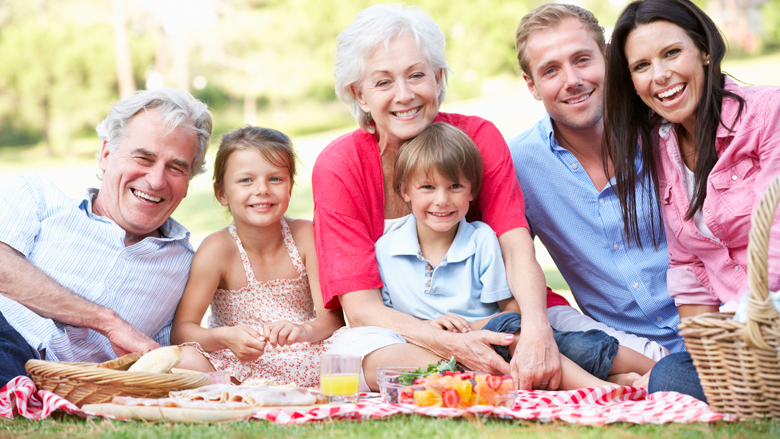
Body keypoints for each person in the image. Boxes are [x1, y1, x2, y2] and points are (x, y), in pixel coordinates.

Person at [315, 3, 568, 391]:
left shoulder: (478, 138)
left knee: (575, 337)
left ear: (438, 78)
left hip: (499, 317)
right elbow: (361, 309)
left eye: (417, 75)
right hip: (404, 331)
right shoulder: (340, 166)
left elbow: (516, 246)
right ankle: (513, 373)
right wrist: (454, 344)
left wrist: (536, 329)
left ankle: (520, 366)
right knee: (353, 355)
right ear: (359, 94)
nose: (404, 95)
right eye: (383, 82)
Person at [377, 122, 655, 388]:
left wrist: (465, 328)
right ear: (404, 191)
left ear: (472, 191)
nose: (442, 199)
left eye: (455, 186)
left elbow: (510, 311)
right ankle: (600, 388)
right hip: (432, 352)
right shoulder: (386, 249)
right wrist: (430, 330)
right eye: (427, 187)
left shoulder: (481, 239)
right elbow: (385, 320)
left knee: (570, 344)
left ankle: (655, 368)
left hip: (499, 340)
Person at [603, 0, 780, 400]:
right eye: (641, 66)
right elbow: (688, 262)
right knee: (670, 376)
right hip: (739, 338)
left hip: (769, 319)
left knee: (678, 383)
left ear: (703, 49)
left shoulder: (768, 113)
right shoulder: (658, 145)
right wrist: (706, 352)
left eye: (672, 53)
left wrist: (748, 324)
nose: (660, 75)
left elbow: (776, 239)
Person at [0, 87, 213, 386]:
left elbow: (170, 355)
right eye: (144, 158)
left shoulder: (187, 267)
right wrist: (107, 322)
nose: (155, 180)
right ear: (106, 154)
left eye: (176, 167)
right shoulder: (39, 198)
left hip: (61, 383)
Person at [507, 3, 684, 361]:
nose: (572, 80)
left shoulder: (667, 129)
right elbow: (505, 268)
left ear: (607, 58)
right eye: (551, 70)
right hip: (631, 352)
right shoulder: (519, 165)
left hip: (718, 327)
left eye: (582, 59)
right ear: (532, 85)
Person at [171, 127, 346, 387]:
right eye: (246, 181)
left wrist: (303, 331)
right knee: (182, 359)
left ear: (290, 185)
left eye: (275, 179)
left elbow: (332, 317)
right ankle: (244, 391)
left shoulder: (305, 235)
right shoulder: (217, 250)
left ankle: (287, 390)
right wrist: (225, 337)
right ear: (221, 193)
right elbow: (182, 330)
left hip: (306, 354)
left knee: (360, 347)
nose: (262, 189)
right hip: (239, 362)